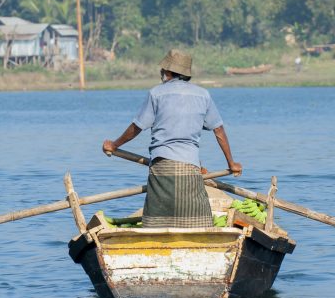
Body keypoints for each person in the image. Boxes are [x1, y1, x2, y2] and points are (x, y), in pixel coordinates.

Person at [102, 49, 242, 228]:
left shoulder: (156, 93)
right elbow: (219, 130)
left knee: (155, 223)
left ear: (168, 72)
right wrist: (231, 163)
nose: (161, 73)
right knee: (199, 222)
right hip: (191, 167)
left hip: (162, 166)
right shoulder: (203, 95)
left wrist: (114, 144)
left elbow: (137, 126)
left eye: (163, 70)